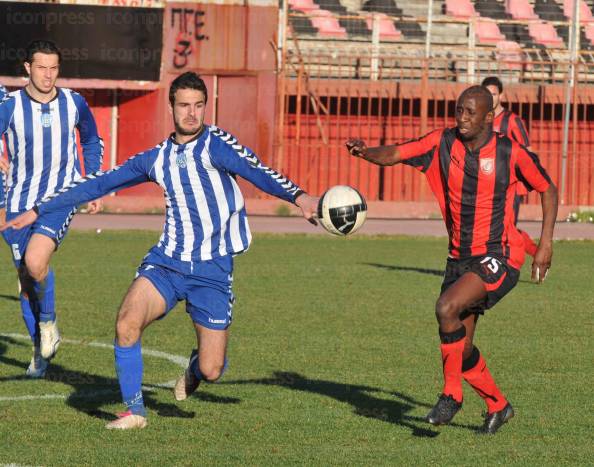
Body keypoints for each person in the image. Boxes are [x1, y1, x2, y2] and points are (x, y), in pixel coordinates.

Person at [1, 71, 319, 430]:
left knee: (213, 369)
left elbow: (258, 170)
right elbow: (100, 182)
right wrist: (40, 208)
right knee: (126, 322)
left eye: (199, 106)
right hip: (166, 264)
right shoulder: (156, 158)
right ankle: (135, 411)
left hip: (212, 271)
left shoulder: (218, 144)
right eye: (184, 105)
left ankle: (196, 368)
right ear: (171, 107)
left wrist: (300, 197)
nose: (192, 113)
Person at [345, 85, 558, 434]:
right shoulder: (441, 143)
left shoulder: (509, 152)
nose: (462, 117)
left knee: (446, 308)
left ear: (489, 117)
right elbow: (398, 153)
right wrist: (366, 152)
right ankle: (498, 406)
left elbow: (547, 188)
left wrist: (546, 243)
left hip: (499, 256)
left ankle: (451, 395)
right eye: (459, 110)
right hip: (458, 259)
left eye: (470, 112)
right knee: (464, 346)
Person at [0, 41, 103, 378]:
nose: (48, 75)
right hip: (18, 203)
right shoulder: (10, 106)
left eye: (54, 68)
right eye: (41, 67)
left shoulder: (74, 102)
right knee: (28, 282)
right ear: (27, 67)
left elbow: (90, 139)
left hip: (60, 198)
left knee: (35, 261)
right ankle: (39, 352)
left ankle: (48, 324)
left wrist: (92, 183)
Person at [482, 76, 538, 257]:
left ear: (501, 96)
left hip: (510, 186)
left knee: (507, 229)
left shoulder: (512, 120)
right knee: (485, 226)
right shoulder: (480, 121)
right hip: (486, 184)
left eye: (494, 94)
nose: (490, 98)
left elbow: (528, 152)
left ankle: (535, 253)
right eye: (487, 94)